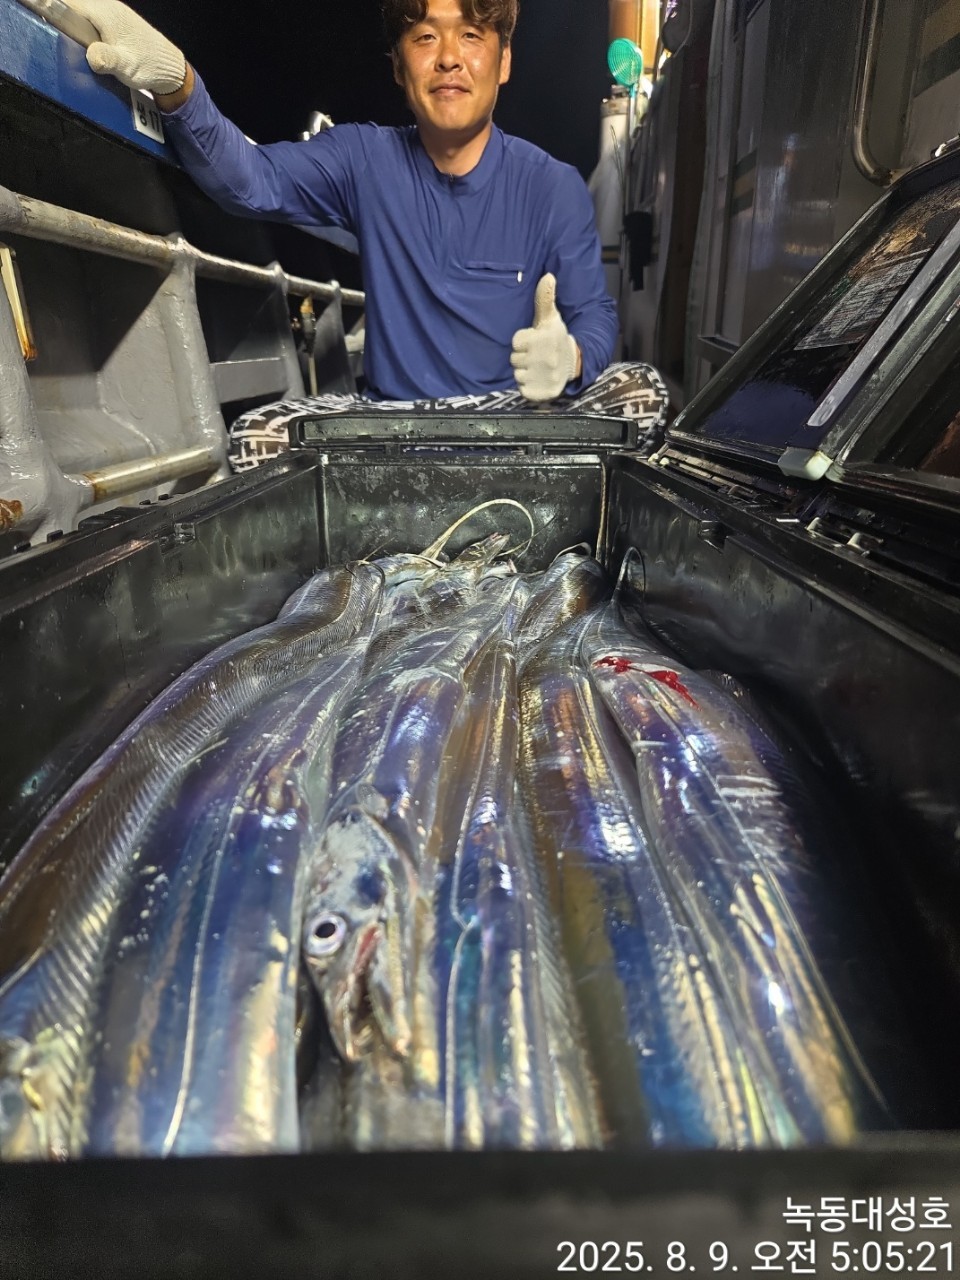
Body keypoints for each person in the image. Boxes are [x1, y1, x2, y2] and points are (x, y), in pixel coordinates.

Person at [65, 0, 620, 405]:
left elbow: (595, 314)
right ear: (399, 67)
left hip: (510, 419)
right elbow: (250, 182)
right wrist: (178, 83)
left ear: (503, 61)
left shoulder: (555, 186)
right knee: (261, 433)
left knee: (640, 390)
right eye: (425, 37)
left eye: (472, 35)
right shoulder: (363, 158)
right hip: (395, 430)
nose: (449, 58)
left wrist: (569, 358)